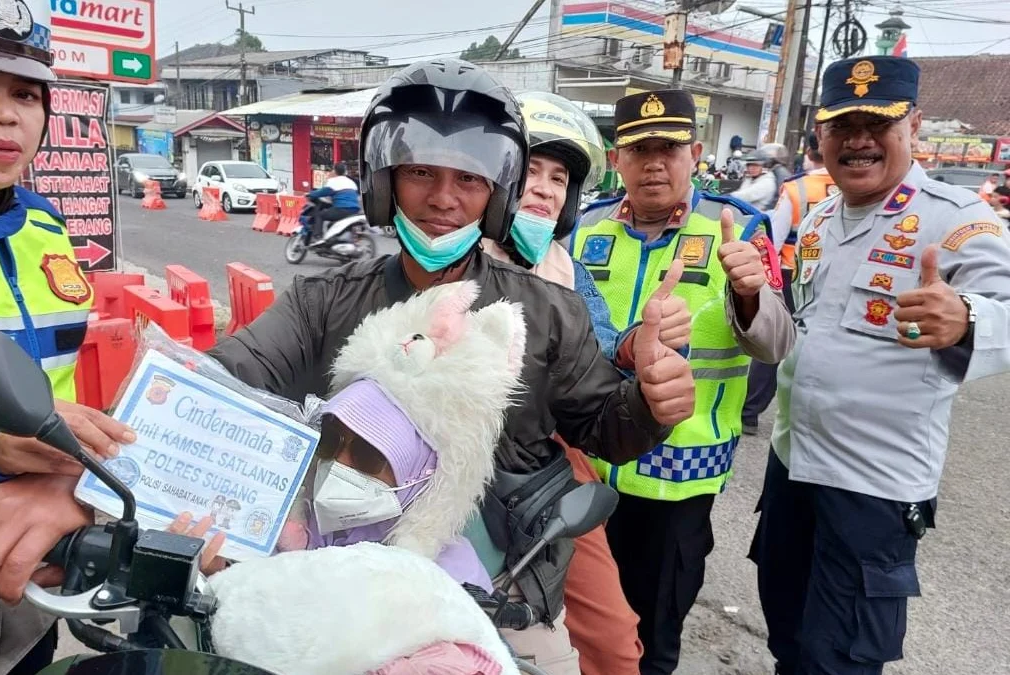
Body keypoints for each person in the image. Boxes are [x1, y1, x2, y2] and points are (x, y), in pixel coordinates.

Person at [207, 59, 696, 674]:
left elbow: (606, 430)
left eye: (468, 178)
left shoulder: (548, 311)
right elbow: (225, 380)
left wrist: (650, 402)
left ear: (498, 194)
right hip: (343, 571)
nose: (443, 198)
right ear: (385, 181)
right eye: (419, 173)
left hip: (506, 574)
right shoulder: (322, 303)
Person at [748, 56, 1010, 675]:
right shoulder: (816, 220)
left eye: (879, 122)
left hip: (875, 488)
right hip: (795, 466)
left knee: (838, 658)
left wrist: (969, 317)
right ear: (821, 137)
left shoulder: (957, 219)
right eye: (843, 124)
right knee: (786, 633)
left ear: (913, 126)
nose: (859, 139)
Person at [0, 3, 134, 673]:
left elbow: (59, 390)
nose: (3, 114)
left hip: (34, 577)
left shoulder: (44, 226)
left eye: (25, 93)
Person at [570, 89, 796, 675]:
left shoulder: (738, 226)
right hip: (584, 469)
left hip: (677, 482)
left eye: (667, 148)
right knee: (578, 634)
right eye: (637, 148)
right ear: (615, 159)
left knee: (652, 641)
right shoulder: (584, 227)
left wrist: (748, 294)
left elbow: (777, 342)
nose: (653, 163)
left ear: (694, 153)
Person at [481, 90, 684, 675]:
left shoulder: (562, 265)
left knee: (614, 643)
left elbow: (598, 359)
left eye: (560, 177)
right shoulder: (452, 254)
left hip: (549, 466)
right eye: (530, 172)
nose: (545, 188)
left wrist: (635, 350)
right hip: (448, 469)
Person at [180, 279, 527, 595]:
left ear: (423, 477)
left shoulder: (447, 584)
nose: (337, 464)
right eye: (330, 440)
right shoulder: (275, 522)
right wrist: (215, 577)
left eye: (368, 455)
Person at [742, 133, 837, 434]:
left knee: (775, 342)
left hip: (791, 273)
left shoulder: (797, 187)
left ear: (809, 153)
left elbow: (775, 239)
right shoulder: (862, 185)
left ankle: (750, 412)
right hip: (835, 277)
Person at [306, 161, 362, 235]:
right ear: (345, 172)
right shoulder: (351, 182)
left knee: (320, 215)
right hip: (355, 210)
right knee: (332, 224)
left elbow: (322, 192)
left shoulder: (333, 182)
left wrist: (310, 194)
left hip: (342, 209)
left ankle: (317, 235)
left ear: (334, 171)